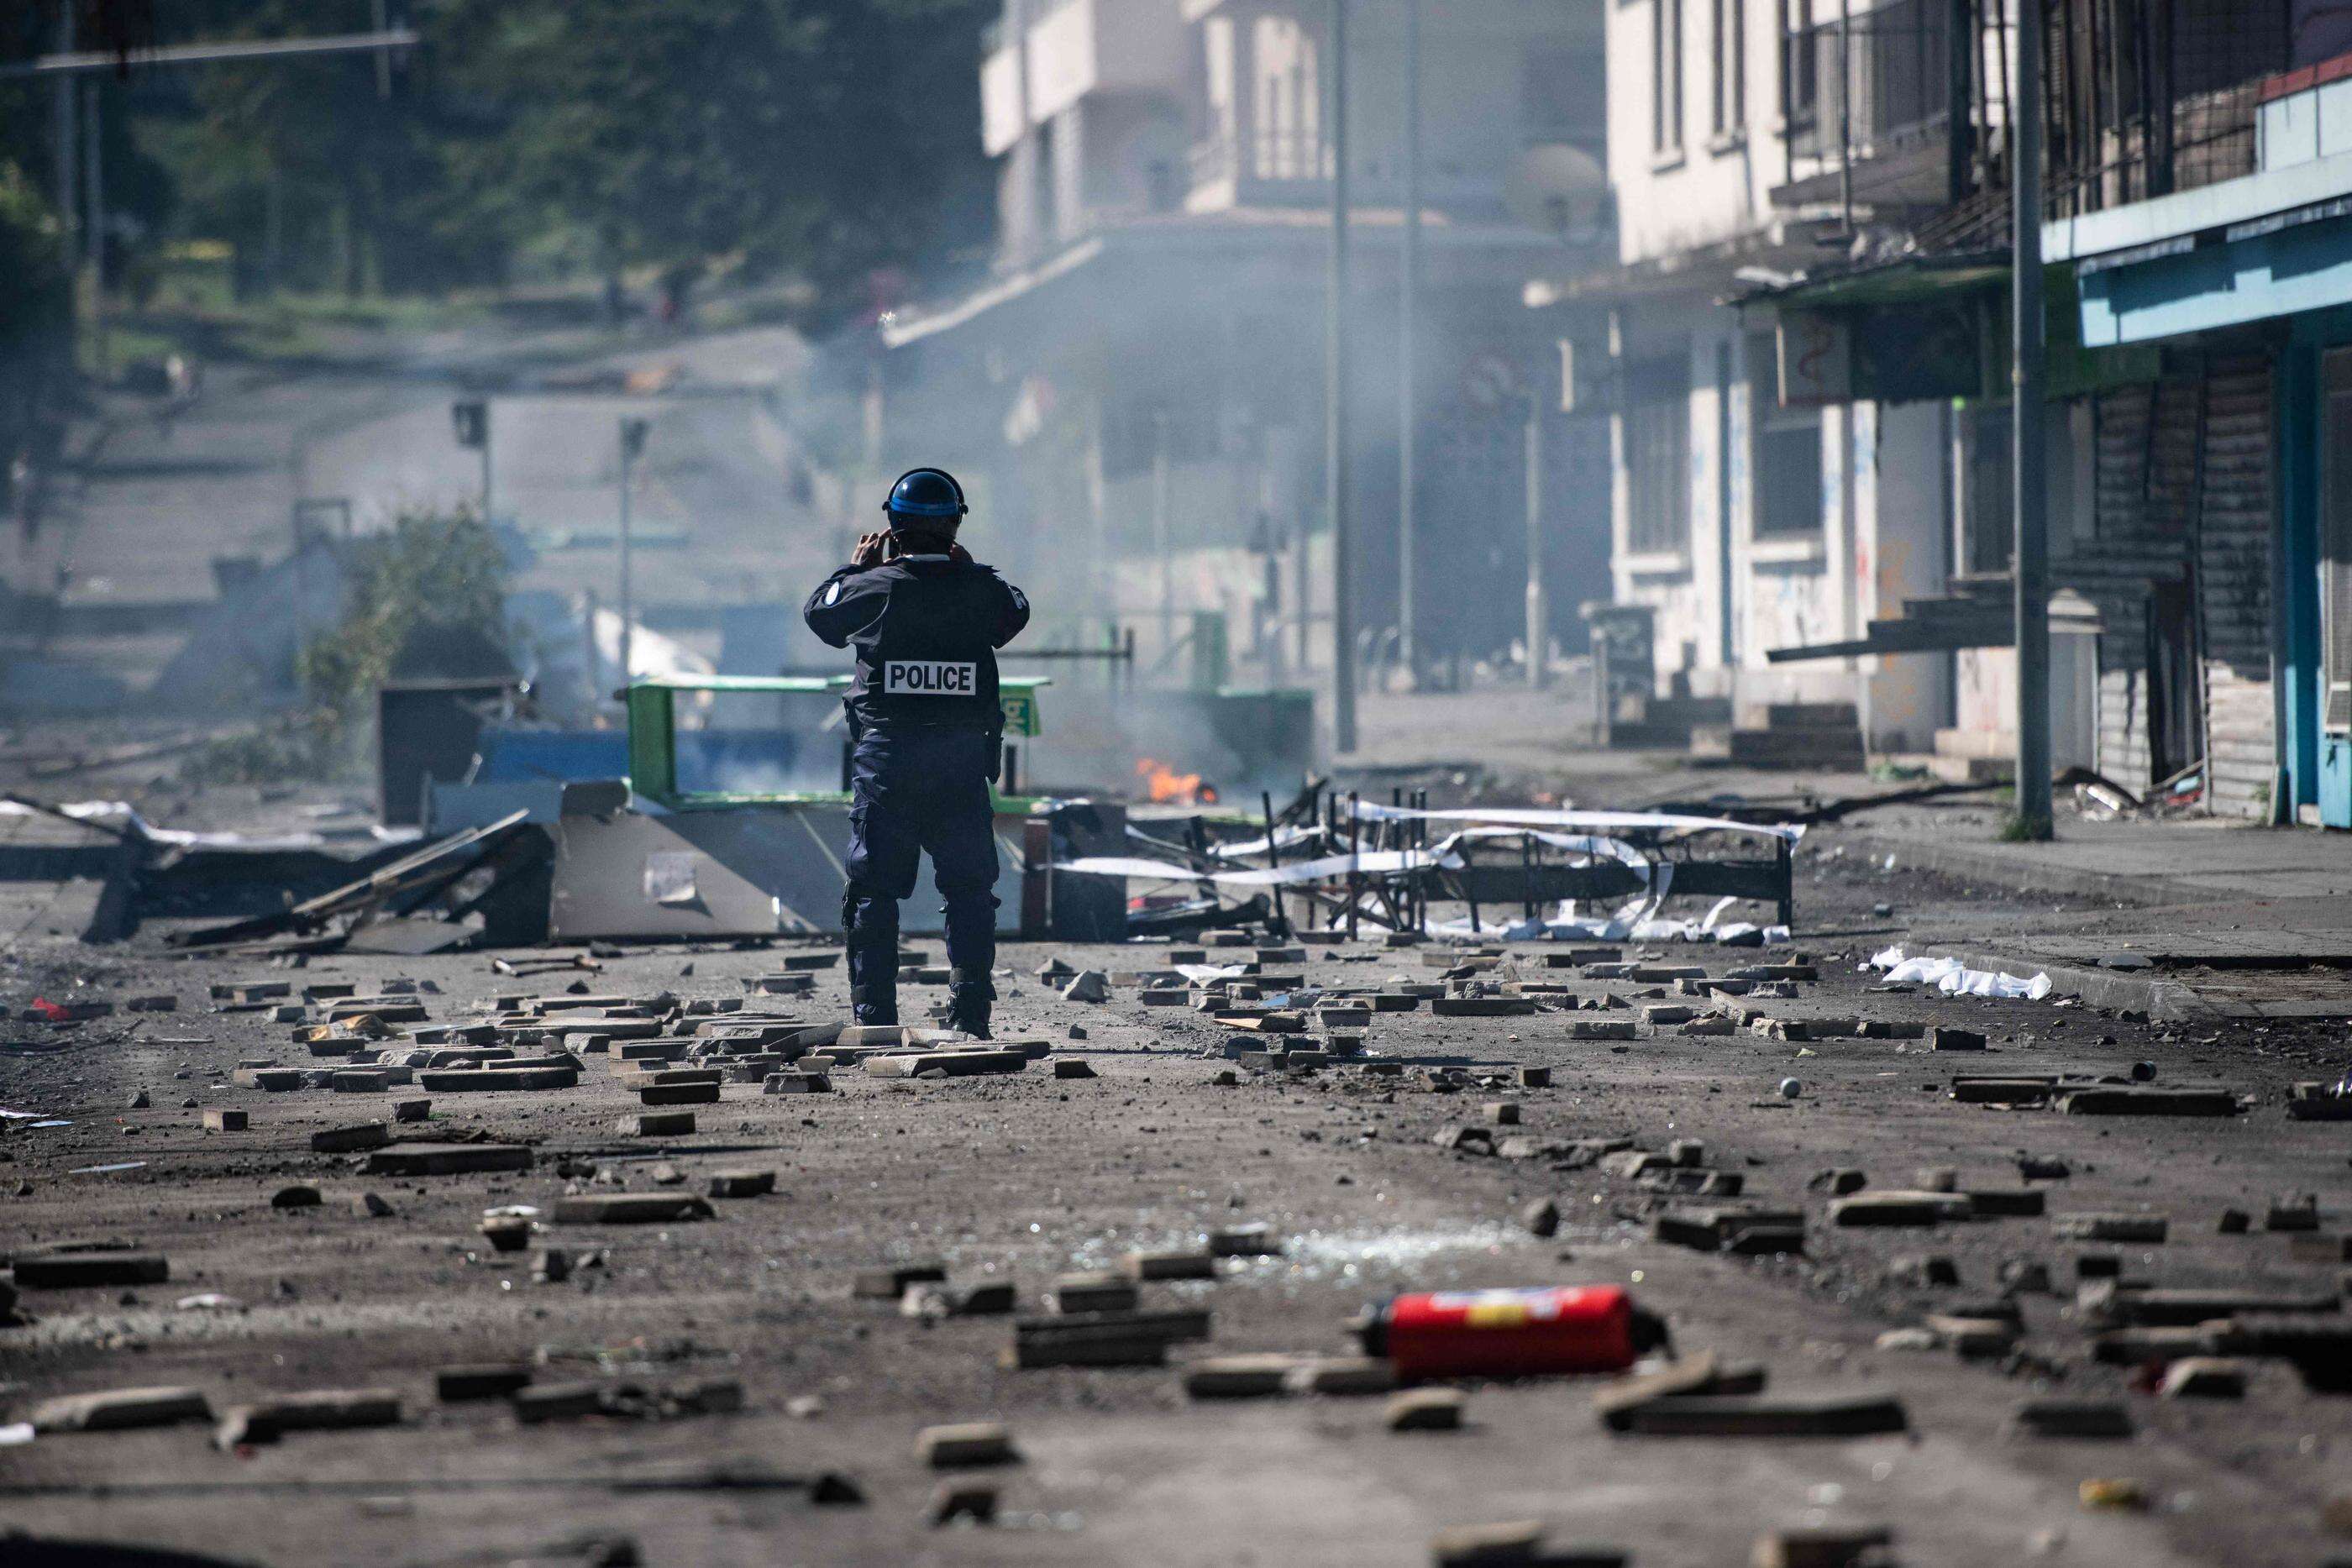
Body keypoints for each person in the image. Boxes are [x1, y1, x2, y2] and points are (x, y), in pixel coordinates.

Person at [803, 467, 1030, 1038]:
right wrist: (966, 566)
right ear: (954, 526)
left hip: (888, 767)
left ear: (892, 528)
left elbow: (820, 615)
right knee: (970, 890)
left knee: (875, 890)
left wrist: (856, 568)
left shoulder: (873, 588)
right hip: (959, 764)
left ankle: (875, 1018)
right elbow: (1015, 612)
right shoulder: (980, 589)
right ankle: (970, 1016)